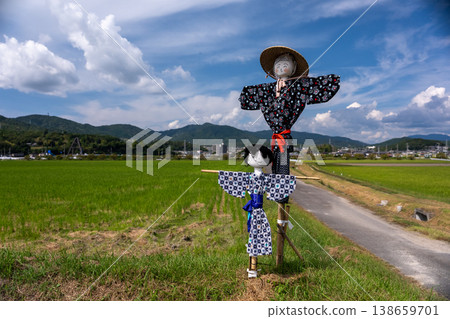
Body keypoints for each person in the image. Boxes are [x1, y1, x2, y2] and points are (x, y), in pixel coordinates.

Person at [239, 46, 340, 202]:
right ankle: (275, 193)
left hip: (284, 138)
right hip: (276, 136)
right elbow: (246, 97)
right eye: (277, 63)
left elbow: (325, 86)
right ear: (271, 70)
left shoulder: (299, 87)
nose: (280, 65)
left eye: (285, 63)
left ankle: (281, 199)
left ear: (293, 70)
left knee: (283, 164)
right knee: (275, 165)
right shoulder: (265, 90)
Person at [218, 146, 296, 278]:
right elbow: (233, 178)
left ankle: (254, 264)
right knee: (254, 233)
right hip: (254, 210)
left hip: (259, 211)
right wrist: (222, 174)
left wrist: (291, 180)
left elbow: (281, 183)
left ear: (268, 160)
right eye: (254, 157)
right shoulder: (246, 177)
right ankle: (252, 266)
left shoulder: (267, 179)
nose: (258, 159)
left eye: (262, 157)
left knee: (260, 232)